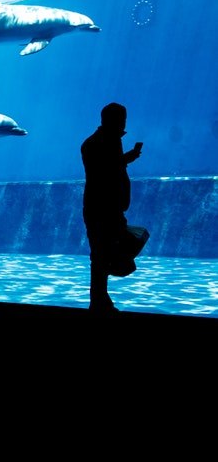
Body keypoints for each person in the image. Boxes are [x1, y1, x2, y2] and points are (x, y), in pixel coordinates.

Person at [81, 102, 143, 314]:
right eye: (121, 120)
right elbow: (107, 170)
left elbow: (111, 166)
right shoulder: (100, 143)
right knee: (101, 255)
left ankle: (100, 299)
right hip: (102, 210)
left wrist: (127, 158)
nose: (124, 124)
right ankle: (99, 300)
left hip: (107, 209)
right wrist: (127, 158)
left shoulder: (104, 142)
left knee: (101, 255)